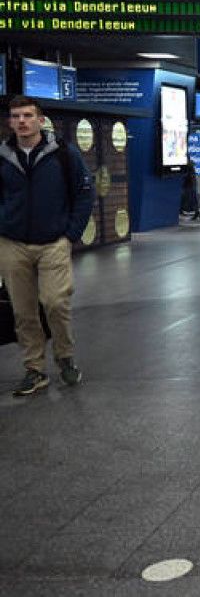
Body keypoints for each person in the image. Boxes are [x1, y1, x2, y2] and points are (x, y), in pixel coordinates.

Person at [1, 96, 94, 396]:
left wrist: (70, 234)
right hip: (12, 243)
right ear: (10, 121)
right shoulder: (2, 155)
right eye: (16, 116)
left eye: (28, 115)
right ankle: (35, 369)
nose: (22, 121)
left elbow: (84, 193)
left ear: (41, 121)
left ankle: (65, 357)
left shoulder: (64, 153)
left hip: (54, 242)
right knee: (23, 311)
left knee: (55, 302)